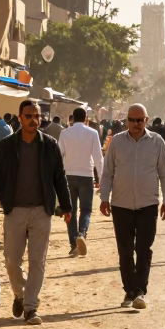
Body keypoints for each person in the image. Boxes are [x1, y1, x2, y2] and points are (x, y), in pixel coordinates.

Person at [0, 100, 72, 325]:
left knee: (37, 261)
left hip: (41, 211)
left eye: (37, 116)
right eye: (29, 116)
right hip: (14, 211)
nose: (34, 120)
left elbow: (59, 177)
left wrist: (66, 206)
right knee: (11, 261)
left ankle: (31, 307)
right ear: (20, 117)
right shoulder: (6, 146)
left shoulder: (49, 145)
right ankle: (20, 294)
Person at [99, 103, 165, 309]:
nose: (136, 124)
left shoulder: (157, 142)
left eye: (140, 120)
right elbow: (107, 173)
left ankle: (140, 291)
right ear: (126, 121)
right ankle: (129, 291)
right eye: (132, 120)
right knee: (125, 251)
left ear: (146, 120)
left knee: (143, 249)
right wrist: (104, 198)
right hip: (121, 205)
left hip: (148, 204)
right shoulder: (117, 142)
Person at [59, 106, 104, 258]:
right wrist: (102, 179)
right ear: (86, 119)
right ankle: (82, 234)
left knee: (69, 210)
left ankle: (73, 245)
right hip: (86, 175)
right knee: (85, 209)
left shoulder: (65, 133)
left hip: (68, 176)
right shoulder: (92, 133)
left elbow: (59, 156)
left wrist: (57, 178)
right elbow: (98, 157)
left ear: (72, 118)